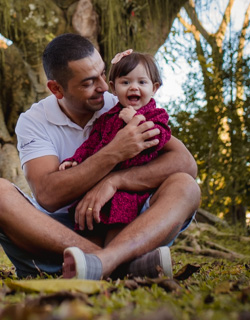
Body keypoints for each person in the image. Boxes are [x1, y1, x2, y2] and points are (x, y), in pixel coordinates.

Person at [0, 33, 200, 280]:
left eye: (104, 74)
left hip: (124, 223)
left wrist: (114, 181)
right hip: (59, 234)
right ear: (56, 89)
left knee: (186, 186)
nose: (105, 87)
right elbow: (49, 195)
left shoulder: (122, 101)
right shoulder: (34, 121)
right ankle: (122, 263)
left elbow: (184, 163)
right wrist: (115, 151)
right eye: (88, 83)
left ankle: (104, 262)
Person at [58, 49, 171, 234]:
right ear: (113, 87)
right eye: (125, 82)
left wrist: (135, 119)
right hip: (100, 185)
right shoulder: (107, 117)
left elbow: (158, 138)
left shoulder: (155, 115)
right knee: (90, 225)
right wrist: (76, 159)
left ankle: (116, 259)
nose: (133, 87)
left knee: (117, 230)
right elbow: (91, 143)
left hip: (131, 189)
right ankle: (90, 258)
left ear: (154, 88)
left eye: (142, 82)